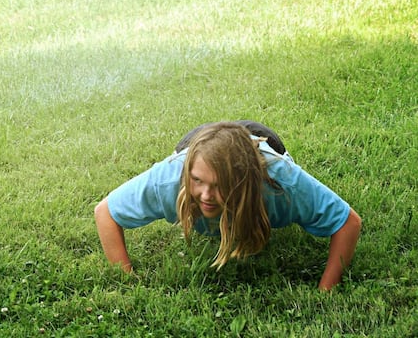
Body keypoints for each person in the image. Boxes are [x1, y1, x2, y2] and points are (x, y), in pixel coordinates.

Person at [94, 120, 362, 290]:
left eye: (220, 185)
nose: (207, 195)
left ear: (244, 182)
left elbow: (348, 222)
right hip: (198, 139)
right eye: (198, 181)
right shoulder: (169, 180)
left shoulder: (282, 185)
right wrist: (127, 281)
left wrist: (326, 291)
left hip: (260, 137)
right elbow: (105, 213)